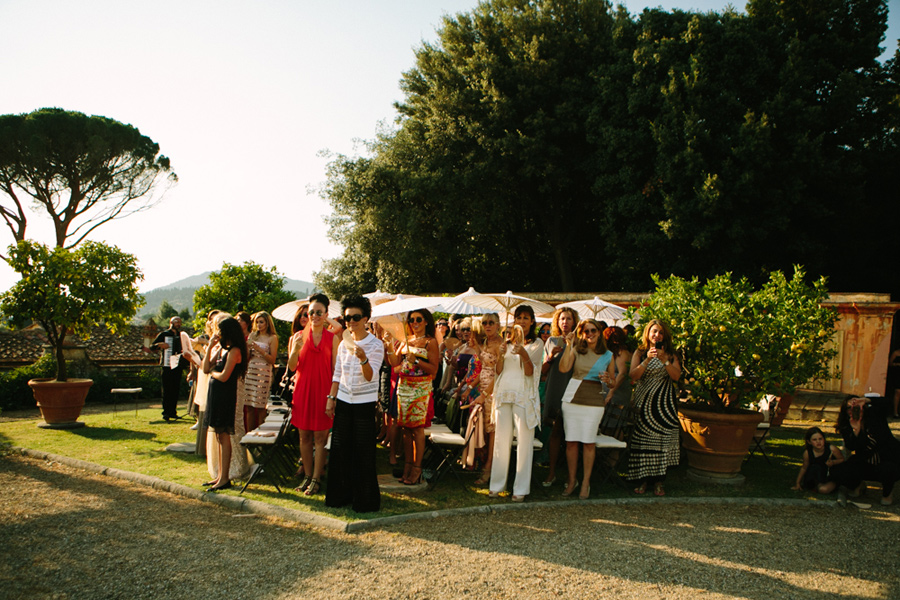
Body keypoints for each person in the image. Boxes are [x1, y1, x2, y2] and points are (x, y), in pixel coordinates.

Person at [325, 295, 385, 513]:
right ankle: (340, 496)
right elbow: (337, 374)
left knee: (363, 451)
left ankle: (365, 500)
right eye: (347, 317)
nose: (351, 321)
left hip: (364, 403)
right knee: (340, 449)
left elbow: (371, 376)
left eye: (356, 317)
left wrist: (363, 359)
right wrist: (331, 399)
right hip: (343, 400)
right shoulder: (342, 344)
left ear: (366, 318)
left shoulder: (376, 344)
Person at [289, 293, 342, 496]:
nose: (314, 316)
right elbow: (292, 367)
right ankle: (307, 476)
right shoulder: (298, 337)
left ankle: (316, 479)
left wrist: (332, 397)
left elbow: (336, 370)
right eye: (311, 312)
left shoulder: (333, 338)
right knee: (304, 436)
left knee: (320, 438)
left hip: (323, 391)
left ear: (326, 314)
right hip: (303, 390)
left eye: (319, 312)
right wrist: (295, 350)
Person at [488, 306, 543, 501]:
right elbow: (499, 370)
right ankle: (497, 484)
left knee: (524, 441)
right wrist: (501, 354)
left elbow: (531, 372)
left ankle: (520, 488)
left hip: (523, 395)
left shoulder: (537, 344)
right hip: (504, 393)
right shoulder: (507, 342)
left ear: (532, 321)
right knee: (501, 440)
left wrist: (523, 354)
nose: (522, 320)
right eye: (518, 317)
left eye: (526, 317)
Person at [558, 319, 615, 499]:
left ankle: (585, 483)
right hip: (572, 397)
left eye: (593, 331)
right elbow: (563, 368)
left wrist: (608, 380)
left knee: (589, 442)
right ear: (582, 334)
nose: (589, 334)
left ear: (599, 332)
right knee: (571, 442)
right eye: (586, 331)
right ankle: (572, 479)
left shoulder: (608, 355)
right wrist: (568, 345)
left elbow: (613, 382)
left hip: (594, 399)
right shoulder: (577, 350)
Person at [627, 319, 681, 497]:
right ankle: (642, 480)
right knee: (643, 442)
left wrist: (665, 360)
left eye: (660, 332)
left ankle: (659, 482)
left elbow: (676, 377)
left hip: (664, 407)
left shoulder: (671, 354)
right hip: (644, 404)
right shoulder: (640, 352)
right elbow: (633, 376)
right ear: (647, 334)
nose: (656, 335)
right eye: (653, 331)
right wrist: (647, 361)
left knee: (662, 443)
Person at [386, 308, 440, 485]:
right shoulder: (406, 341)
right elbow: (395, 363)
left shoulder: (430, 342)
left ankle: (417, 468)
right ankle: (408, 465)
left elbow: (434, 370)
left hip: (420, 388)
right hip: (404, 387)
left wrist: (416, 360)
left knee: (417, 429)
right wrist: (388, 346)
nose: (414, 323)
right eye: (411, 320)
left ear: (426, 321)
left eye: (418, 319)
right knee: (405, 429)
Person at [201, 316, 248, 492]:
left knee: (225, 436)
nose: (217, 334)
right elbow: (205, 367)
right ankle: (220, 476)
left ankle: (225, 478)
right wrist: (211, 347)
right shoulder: (222, 349)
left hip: (226, 396)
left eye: (220, 331)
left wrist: (213, 373)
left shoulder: (235, 351)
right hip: (215, 396)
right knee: (219, 437)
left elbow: (224, 376)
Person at [540, 307, 579, 487]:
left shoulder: (581, 342)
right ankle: (552, 472)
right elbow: (543, 372)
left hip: (573, 389)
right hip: (555, 388)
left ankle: (572, 477)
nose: (565, 322)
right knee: (555, 431)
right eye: (562, 319)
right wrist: (550, 356)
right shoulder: (551, 341)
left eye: (569, 319)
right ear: (557, 322)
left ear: (574, 322)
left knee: (573, 435)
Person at [837, 396, 900, 505]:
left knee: (889, 468)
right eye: (849, 408)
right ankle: (858, 485)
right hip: (866, 461)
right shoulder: (847, 425)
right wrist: (856, 431)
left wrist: (866, 399)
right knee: (844, 469)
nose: (853, 410)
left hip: (888, 459)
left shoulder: (875, 415)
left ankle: (887, 493)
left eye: (856, 407)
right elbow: (852, 446)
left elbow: (887, 402)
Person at [244, 311, 279, 433]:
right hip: (251, 370)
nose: (258, 325)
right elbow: (247, 356)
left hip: (264, 373)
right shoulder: (253, 335)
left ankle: (260, 434)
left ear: (267, 323)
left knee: (260, 406)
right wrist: (248, 349)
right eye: (257, 322)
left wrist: (259, 349)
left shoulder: (272, 338)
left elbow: (272, 359)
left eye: (261, 322)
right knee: (248, 405)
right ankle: (249, 433)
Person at [152, 316, 189, 421]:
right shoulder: (164, 334)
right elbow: (151, 346)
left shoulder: (181, 335)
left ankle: (173, 412)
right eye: (177, 322)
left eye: (180, 322)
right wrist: (159, 345)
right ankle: (166, 413)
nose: (179, 324)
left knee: (175, 389)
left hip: (178, 365)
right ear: (171, 322)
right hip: (167, 365)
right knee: (167, 389)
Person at [791, 426, 847, 494]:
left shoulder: (832, 449)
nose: (818, 442)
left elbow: (842, 459)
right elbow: (804, 468)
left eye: (820, 439)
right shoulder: (807, 453)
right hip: (814, 475)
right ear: (809, 442)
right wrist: (798, 483)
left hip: (829, 476)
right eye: (814, 440)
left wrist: (833, 462)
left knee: (823, 489)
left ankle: (833, 486)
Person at [603, 326, 633, 408]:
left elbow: (622, 373)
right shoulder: (610, 353)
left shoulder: (622, 352)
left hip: (617, 394)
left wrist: (611, 393)